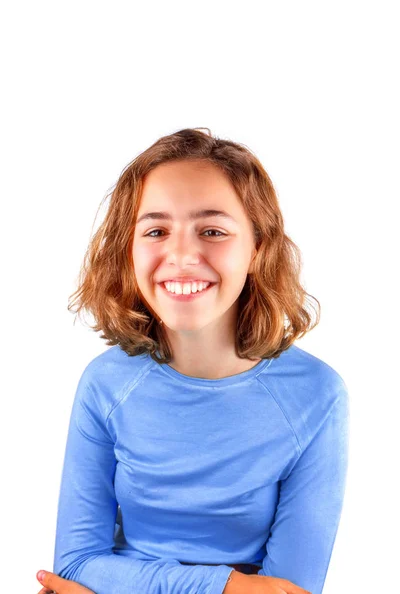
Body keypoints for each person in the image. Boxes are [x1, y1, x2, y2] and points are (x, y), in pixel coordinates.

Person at [36, 127, 349, 594]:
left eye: (213, 231)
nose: (182, 255)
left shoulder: (316, 394)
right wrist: (226, 586)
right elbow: (76, 563)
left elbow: (287, 590)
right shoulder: (106, 382)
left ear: (257, 249)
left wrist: (122, 583)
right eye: (156, 230)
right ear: (130, 248)